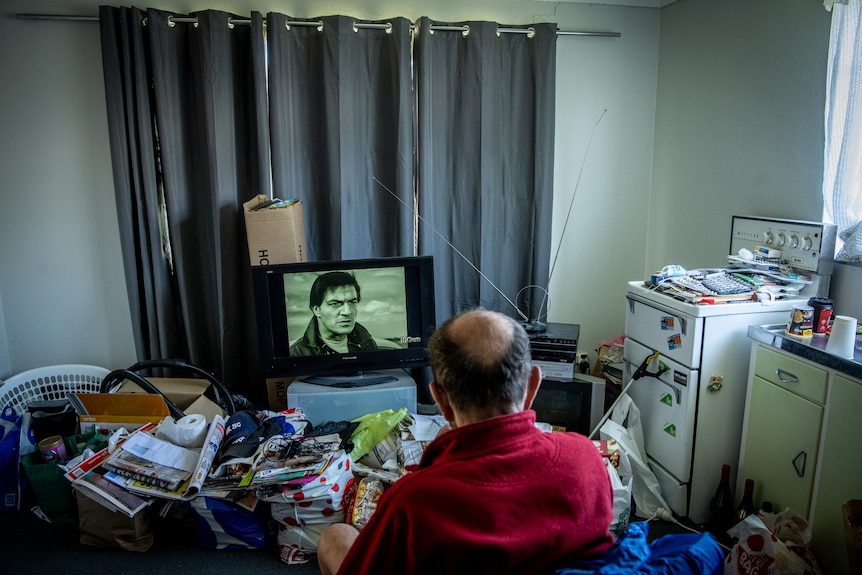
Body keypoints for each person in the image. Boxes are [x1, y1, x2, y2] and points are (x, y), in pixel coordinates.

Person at [317, 308, 615, 575]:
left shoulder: (412, 502)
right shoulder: (585, 458)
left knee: (336, 537)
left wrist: (427, 469)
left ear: (440, 400)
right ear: (533, 385)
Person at [288, 271, 379, 357]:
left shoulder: (367, 343)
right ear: (316, 310)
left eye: (352, 302)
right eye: (335, 303)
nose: (347, 312)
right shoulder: (297, 353)